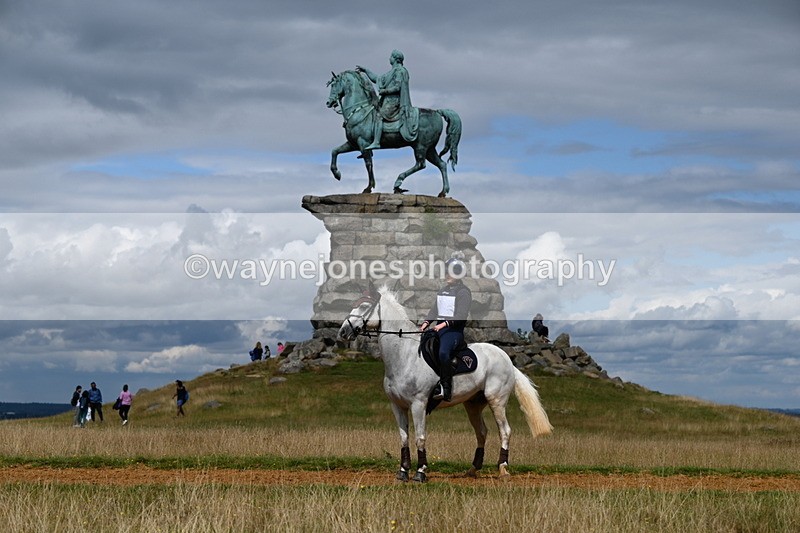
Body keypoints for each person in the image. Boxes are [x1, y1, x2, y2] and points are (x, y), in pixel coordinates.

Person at [419, 255, 472, 402]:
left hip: (453, 332)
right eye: (447, 271)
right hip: (439, 329)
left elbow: (460, 316)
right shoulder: (442, 291)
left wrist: (442, 324)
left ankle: (446, 389)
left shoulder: (464, 292)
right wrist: (426, 323)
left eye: (450, 272)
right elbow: (434, 310)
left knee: (443, 353)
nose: (447, 274)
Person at [356, 49, 418, 150]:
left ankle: (376, 142)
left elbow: (398, 87)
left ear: (395, 59)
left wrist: (385, 91)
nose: (389, 59)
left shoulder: (400, 71)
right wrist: (366, 70)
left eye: (391, 57)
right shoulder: (391, 72)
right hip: (387, 101)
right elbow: (377, 79)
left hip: (394, 102)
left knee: (379, 115)